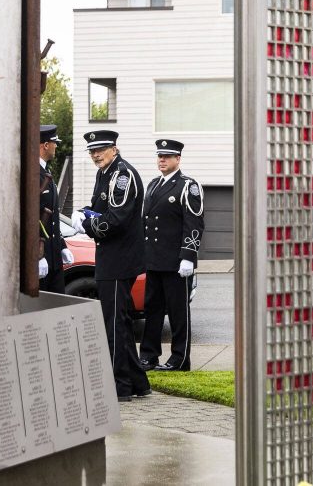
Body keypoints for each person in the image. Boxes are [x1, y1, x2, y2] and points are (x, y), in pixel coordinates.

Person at [79, 129, 150, 401]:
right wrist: (87, 213)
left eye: (101, 149)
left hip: (120, 259)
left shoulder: (122, 175)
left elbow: (116, 218)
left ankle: (120, 387)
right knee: (119, 321)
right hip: (111, 257)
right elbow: (103, 208)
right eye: (92, 151)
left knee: (115, 325)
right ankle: (138, 383)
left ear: (114, 148)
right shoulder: (105, 173)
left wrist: (87, 225)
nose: (96, 155)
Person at [139, 139, 205, 372]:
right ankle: (148, 355)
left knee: (178, 312)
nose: (162, 160)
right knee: (152, 309)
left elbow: (194, 222)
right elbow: (146, 222)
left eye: (167, 156)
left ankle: (179, 358)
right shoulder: (153, 185)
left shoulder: (188, 186)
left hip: (177, 262)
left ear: (178, 159)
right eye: (159, 156)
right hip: (154, 260)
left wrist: (188, 255)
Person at [37, 124, 71, 292]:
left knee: (56, 308)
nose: (56, 146)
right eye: (54, 142)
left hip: (53, 255)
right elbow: (32, 217)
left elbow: (52, 218)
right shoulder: (34, 174)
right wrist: (37, 256)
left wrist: (62, 245)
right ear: (45, 145)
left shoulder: (46, 172)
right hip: (42, 255)